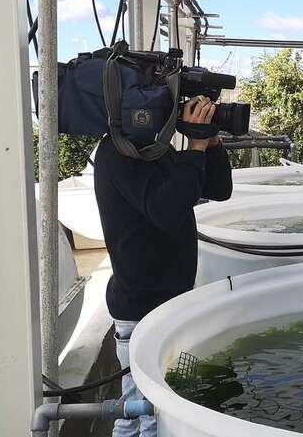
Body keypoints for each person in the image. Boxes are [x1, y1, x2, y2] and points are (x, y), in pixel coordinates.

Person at [94, 96, 233, 437]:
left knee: (155, 413)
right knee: (143, 418)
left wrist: (210, 143)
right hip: (141, 312)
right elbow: (167, 209)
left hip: (168, 306)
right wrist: (195, 147)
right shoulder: (119, 154)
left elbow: (219, 189)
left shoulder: (159, 152)